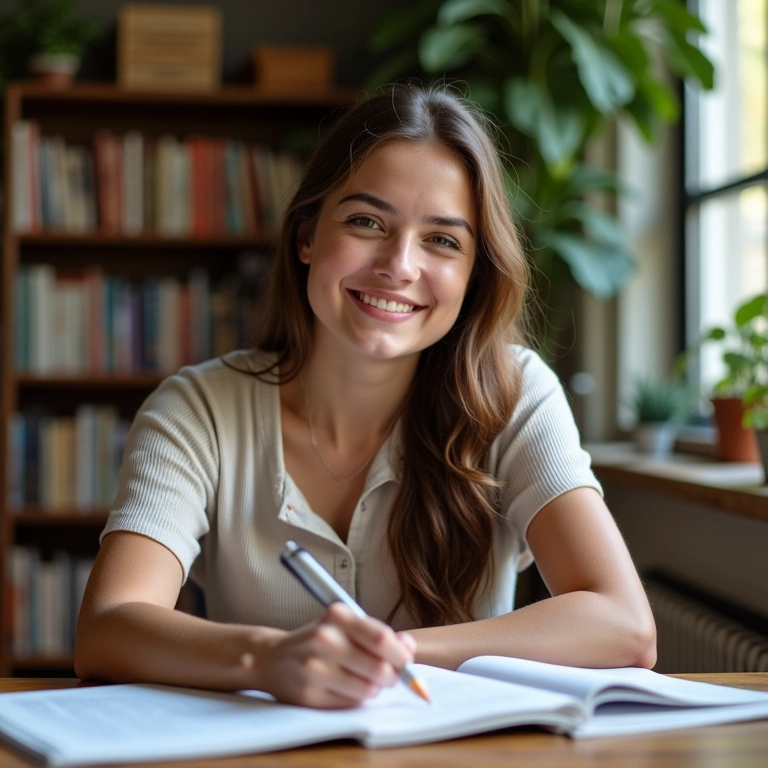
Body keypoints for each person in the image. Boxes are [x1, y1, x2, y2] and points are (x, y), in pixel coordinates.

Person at [75, 84, 656, 709]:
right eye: (366, 222)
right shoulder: (198, 410)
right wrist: (267, 658)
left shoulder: (516, 395)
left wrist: (389, 653)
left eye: (443, 241)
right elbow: (108, 626)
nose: (399, 265)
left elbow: (623, 625)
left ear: (472, 276)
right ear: (306, 237)